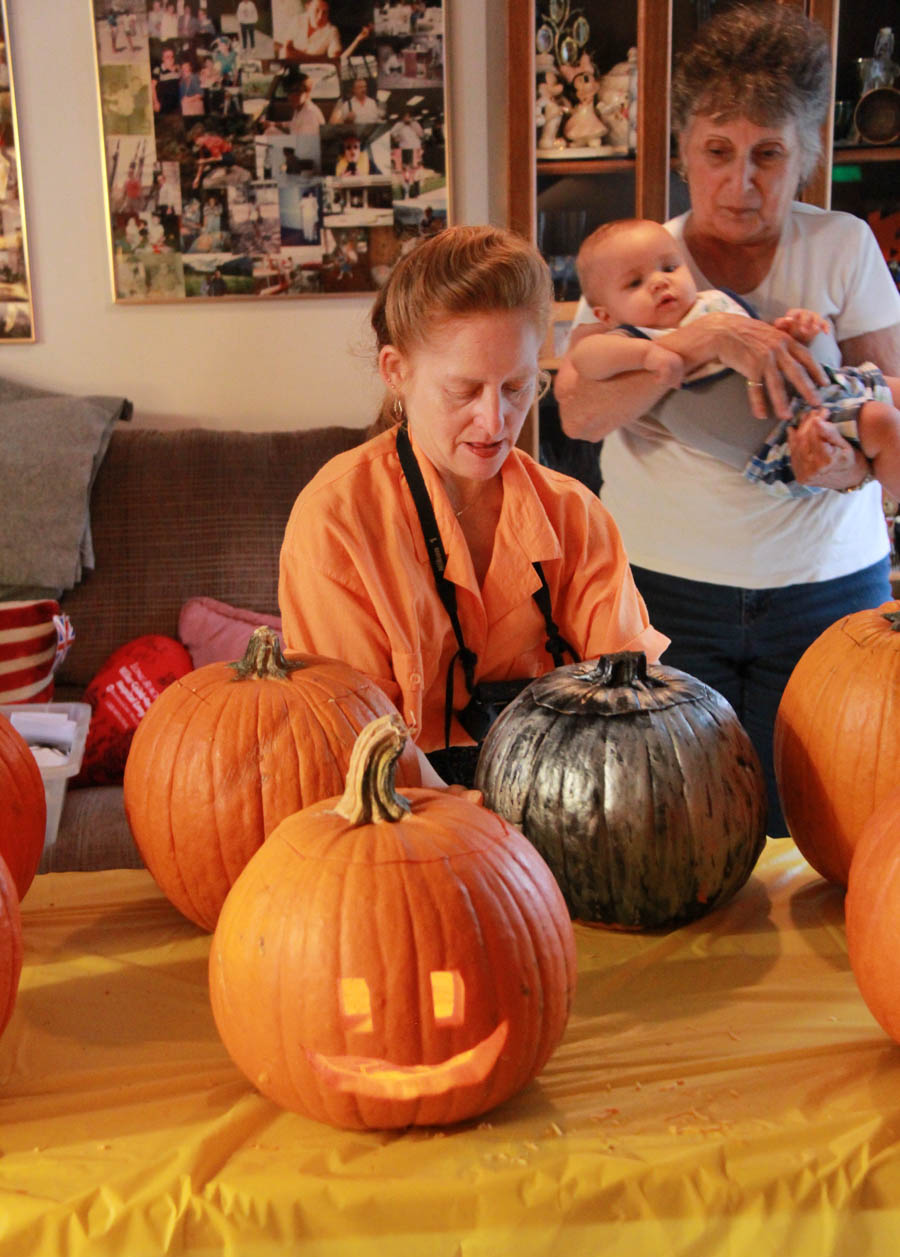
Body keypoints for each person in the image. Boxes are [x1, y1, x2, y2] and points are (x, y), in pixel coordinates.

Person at [554, 3, 900, 836]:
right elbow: (579, 410)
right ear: (682, 152)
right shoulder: (633, 260)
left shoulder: (844, 244)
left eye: (768, 155)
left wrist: (846, 465)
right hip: (663, 593)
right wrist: (703, 338)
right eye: (718, 152)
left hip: (828, 594)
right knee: (674, 826)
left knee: (825, 824)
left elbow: (886, 393)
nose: (741, 182)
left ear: (808, 154)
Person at [279, 225, 667, 788]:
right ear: (396, 373)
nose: (494, 423)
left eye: (516, 388)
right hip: (401, 825)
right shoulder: (337, 520)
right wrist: (485, 834)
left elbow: (634, 704)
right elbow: (359, 745)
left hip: (565, 811)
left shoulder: (576, 518)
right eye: (463, 391)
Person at [572, 218, 900, 499]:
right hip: (787, 443)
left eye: (670, 267)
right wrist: (650, 355)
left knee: (895, 390)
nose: (660, 282)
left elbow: (763, 346)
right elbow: (587, 358)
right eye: (635, 282)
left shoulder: (711, 305)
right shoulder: (632, 337)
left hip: (822, 392)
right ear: (606, 314)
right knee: (881, 423)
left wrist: (794, 331)